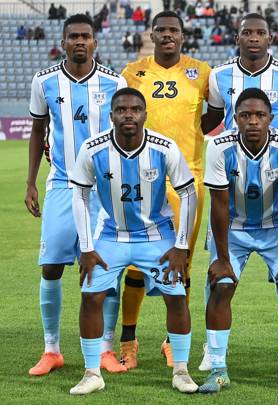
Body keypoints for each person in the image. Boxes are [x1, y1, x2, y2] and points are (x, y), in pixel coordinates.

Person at [199, 12, 278, 371]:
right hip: (233, 193)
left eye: (259, 32)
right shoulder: (219, 77)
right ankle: (212, 353)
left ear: (270, 37)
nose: (252, 38)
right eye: (246, 32)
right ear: (237, 36)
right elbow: (212, 119)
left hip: (272, 190)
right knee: (218, 281)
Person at [69, 88, 198, 395]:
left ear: (145, 114)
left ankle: (181, 370)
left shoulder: (164, 147)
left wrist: (181, 246)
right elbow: (80, 195)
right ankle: (91, 373)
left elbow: (188, 193)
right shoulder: (93, 148)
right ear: (111, 115)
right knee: (90, 296)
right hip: (112, 235)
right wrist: (86, 248)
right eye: (122, 110)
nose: (129, 114)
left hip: (156, 235)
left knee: (177, 296)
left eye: (135, 109)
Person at [25, 13, 128, 377]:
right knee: (51, 266)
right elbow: (38, 131)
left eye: (86, 36)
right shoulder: (45, 81)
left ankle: (106, 348)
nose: (80, 41)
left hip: (104, 191)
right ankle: (51, 349)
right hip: (63, 185)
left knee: (107, 269)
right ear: (64, 41)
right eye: (74, 37)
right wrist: (31, 182)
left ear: (95, 42)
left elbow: (128, 131)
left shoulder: (116, 82)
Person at [120, 10, 213, 369]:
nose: (167, 35)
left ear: (183, 35)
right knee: (137, 262)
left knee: (182, 261)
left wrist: (190, 137)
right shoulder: (134, 71)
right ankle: (128, 340)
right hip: (141, 177)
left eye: (174, 30)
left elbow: (214, 113)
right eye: (161, 30)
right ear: (152, 34)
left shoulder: (201, 72)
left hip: (188, 177)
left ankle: (173, 340)